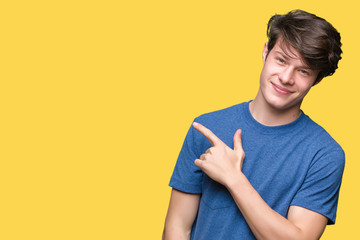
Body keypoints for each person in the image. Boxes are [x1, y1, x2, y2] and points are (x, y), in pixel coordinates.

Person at [163, 9, 344, 240]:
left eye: (303, 71)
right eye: (281, 60)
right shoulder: (207, 128)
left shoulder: (324, 154)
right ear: (265, 52)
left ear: (317, 80)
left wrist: (233, 178)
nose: (286, 77)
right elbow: (177, 227)